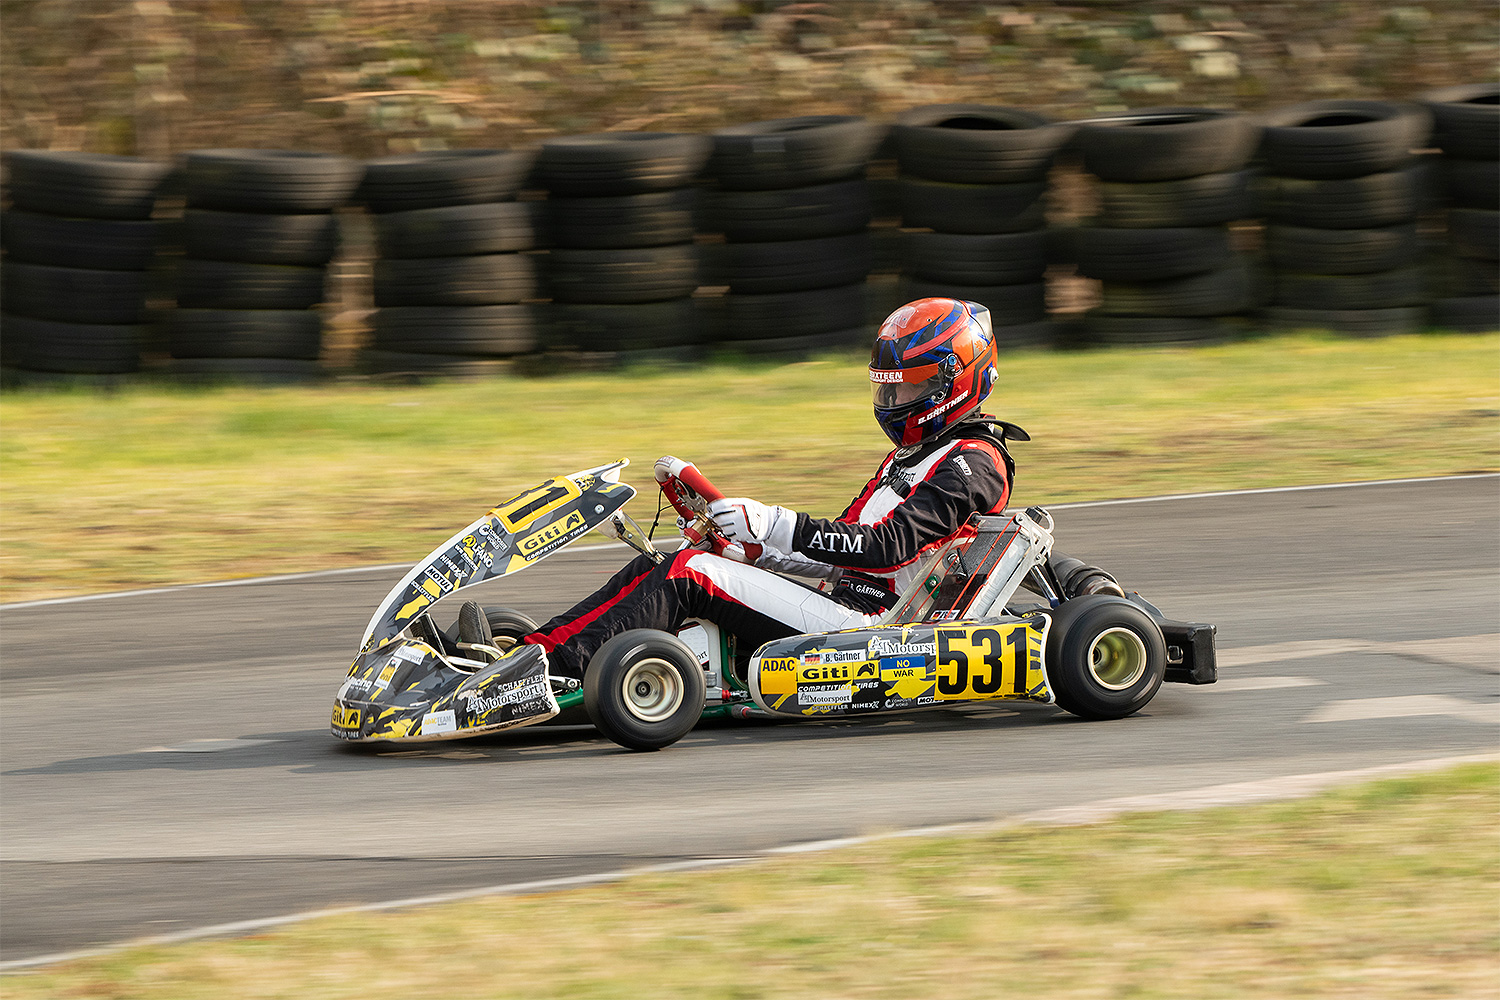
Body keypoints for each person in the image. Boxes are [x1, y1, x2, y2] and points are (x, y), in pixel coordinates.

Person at [466, 296, 1119, 688]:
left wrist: (770, 523)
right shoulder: (915, 453)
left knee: (686, 573)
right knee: (670, 564)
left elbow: (887, 549)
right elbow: (841, 549)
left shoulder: (973, 464)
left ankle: (538, 672)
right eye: (888, 387)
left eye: (909, 388)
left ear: (955, 381)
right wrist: (752, 550)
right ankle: (532, 655)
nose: (894, 400)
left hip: (877, 628)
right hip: (839, 597)